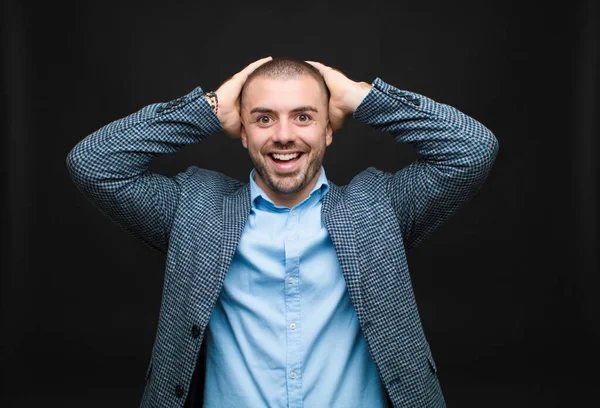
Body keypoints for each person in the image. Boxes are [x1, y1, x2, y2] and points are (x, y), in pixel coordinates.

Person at [67, 56, 498, 408]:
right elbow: (93, 164)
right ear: (242, 132)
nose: (284, 136)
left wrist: (360, 97)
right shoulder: (194, 209)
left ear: (329, 129)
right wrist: (208, 107)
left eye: (304, 117)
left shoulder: (379, 207)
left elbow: (473, 149)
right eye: (264, 118)